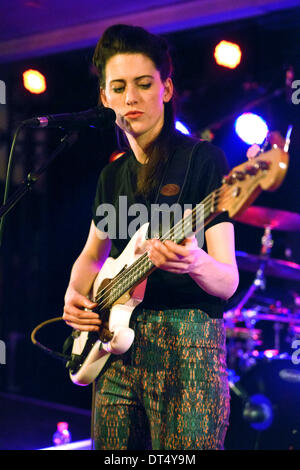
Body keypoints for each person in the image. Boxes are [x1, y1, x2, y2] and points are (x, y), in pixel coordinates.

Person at [63, 24, 239, 450]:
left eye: (144, 84)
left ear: (166, 89)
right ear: (104, 97)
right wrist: (75, 295)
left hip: (187, 347)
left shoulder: (202, 161)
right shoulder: (111, 175)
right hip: (112, 348)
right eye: (118, 87)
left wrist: (195, 263)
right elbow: (92, 255)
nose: (131, 98)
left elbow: (228, 280)